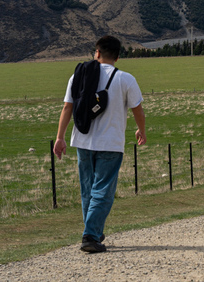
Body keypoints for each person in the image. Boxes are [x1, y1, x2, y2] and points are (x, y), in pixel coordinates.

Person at [54, 35, 146, 253]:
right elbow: (138, 110)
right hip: (111, 144)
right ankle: (91, 235)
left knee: (88, 189)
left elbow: (67, 108)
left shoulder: (78, 76)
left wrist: (60, 137)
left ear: (97, 53)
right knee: (103, 190)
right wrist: (141, 130)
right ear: (118, 56)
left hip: (83, 142)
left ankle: (92, 229)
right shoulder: (126, 79)